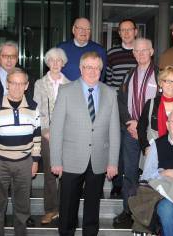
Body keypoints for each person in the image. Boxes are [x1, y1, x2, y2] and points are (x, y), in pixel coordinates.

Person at [49, 51, 120, 236]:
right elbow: (56, 129)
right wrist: (56, 160)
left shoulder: (110, 93)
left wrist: (113, 162)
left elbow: (114, 131)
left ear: (101, 70)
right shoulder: (66, 91)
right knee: (67, 209)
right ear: (81, 68)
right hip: (71, 159)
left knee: (92, 209)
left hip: (98, 160)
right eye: (88, 67)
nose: (92, 71)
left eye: (96, 67)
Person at [0, 68, 41, 236]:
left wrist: (35, 161)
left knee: (22, 206)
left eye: (21, 84)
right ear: (7, 84)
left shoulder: (34, 108)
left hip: (24, 162)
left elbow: (36, 137)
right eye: (13, 83)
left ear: (26, 86)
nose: (17, 87)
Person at [114, 38, 159, 226]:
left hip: (152, 133)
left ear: (152, 51)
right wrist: (129, 123)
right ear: (133, 53)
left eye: (144, 50)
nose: (140, 54)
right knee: (130, 173)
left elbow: (162, 102)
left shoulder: (160, 74)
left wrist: (142, 127)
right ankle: (128, 210)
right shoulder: (128, 75)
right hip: (130, 131)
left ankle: (153, 212)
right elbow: (121, 101)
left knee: (154, 174)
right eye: (137, 51)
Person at [33, 48, 70, 224]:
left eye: (59, 60)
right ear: (47, 63)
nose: (55, 63)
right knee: (49, 172)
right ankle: (50, 209)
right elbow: (37, 110)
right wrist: (46, 130)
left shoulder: (70, 84)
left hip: (66, 135)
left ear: (63, 63)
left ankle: (64, 209)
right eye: (52, 60)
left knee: (66, 173)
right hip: (47, 134)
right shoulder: (40, 84)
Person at [106, 18, 139, 198]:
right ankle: (117, 185)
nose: (126, 33)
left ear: (135, 31)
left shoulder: (140, 52)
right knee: (115, 147)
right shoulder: (111, 54)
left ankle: (131, 185)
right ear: (119, 34)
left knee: (131, 149)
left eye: (129, 30)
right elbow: (108, 82)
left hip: (134, 110)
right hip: (115, 109)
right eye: (122, 30)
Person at [137, 65, 173, 155]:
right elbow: (141, 128)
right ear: (161, 83)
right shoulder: (151, 104)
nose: (171, 85)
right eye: (168, 81)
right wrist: (145, 147)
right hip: (154, 152)